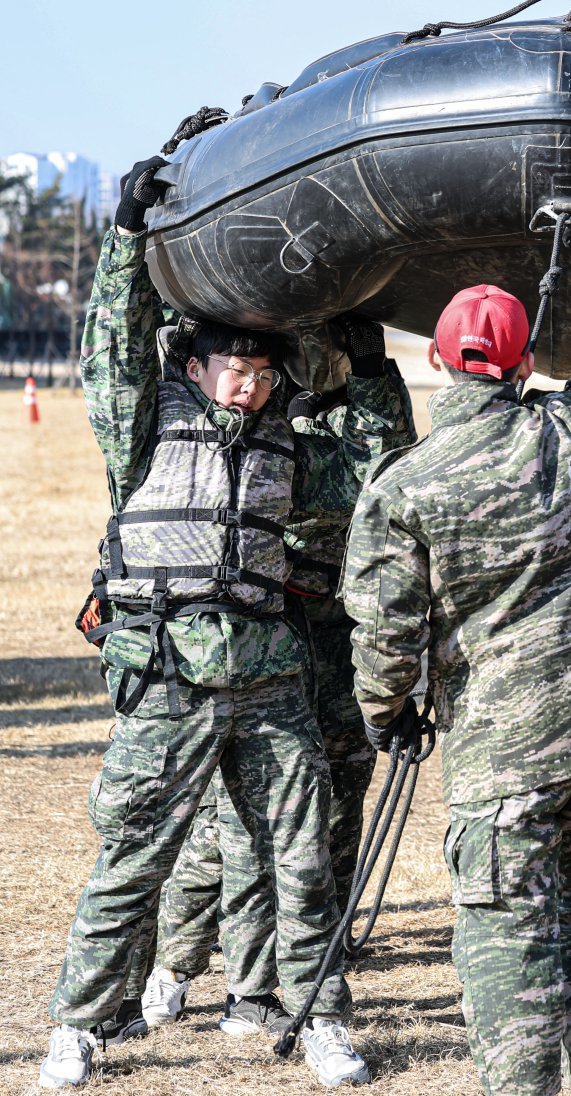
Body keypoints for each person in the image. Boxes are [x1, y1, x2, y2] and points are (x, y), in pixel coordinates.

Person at [342, 189, 571, 1096]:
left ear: (440, 362)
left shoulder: (403, 488)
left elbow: (384, 628)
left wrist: (388, 713)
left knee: (506, 939)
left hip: (500, 758)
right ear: (526, 360)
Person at [43, 158, 369, 1089]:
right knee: (132, 858)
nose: (251, 387)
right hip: (171, 679)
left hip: (268, 681)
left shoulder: (288, 447)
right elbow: (109, 347)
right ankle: (78, 1022)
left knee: (302, 858)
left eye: (264, 374)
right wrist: (124, 240)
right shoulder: (143, 427)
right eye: (236, 370)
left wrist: (370, 361)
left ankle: (317, 1020)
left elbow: (375, 474)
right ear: (195, 365)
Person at [139, 328, 416, 1033]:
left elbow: (388, 467)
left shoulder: (360, 409)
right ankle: (180, 963)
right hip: (271, 631)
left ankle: (316, 952)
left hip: (342, 631)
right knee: (230, 823)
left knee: (332, 806)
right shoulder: (263, 421)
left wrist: (375, 365)